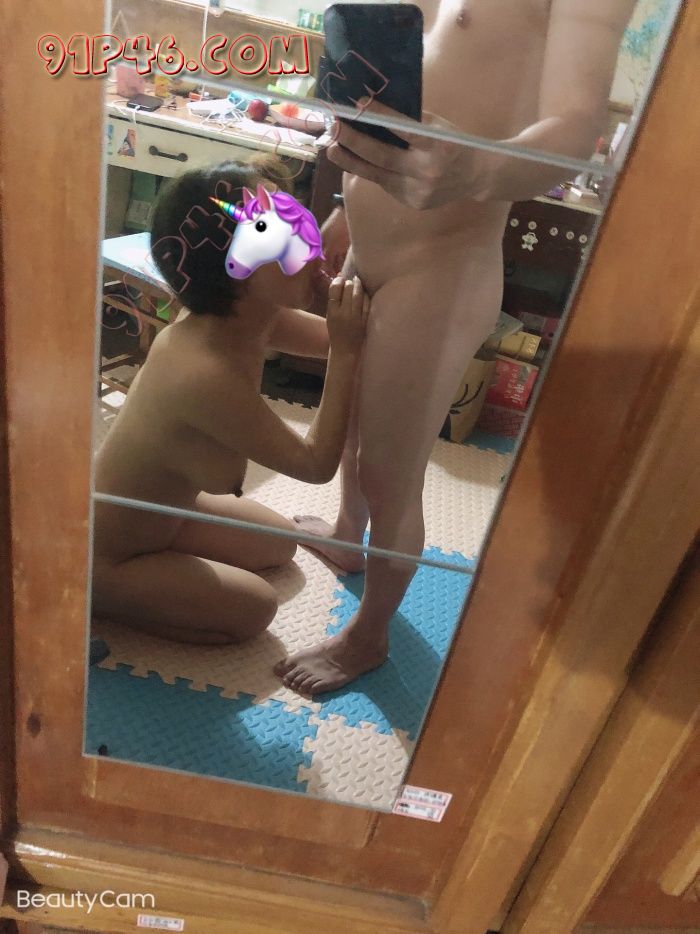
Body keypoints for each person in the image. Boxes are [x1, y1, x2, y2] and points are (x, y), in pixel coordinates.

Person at [275, 0, 636, 694]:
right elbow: (393, 82)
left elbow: (576, 125)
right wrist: (347, 203)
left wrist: (478, 169)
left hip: (441, 269)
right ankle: (349, 537)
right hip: (369, 241)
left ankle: (368, 637)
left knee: (390, 473)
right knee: (351, 424)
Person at [93, 161, 369, 646]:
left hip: (172, 514)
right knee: (254, 610)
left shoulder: (252, 316)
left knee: (280, 543)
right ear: (233, 270)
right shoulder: (203, 372)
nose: (310, 245)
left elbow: (335, 337)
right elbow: (315, 463)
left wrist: (353, 316)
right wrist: (346, 352)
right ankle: (97, 596)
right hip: (112, 552)